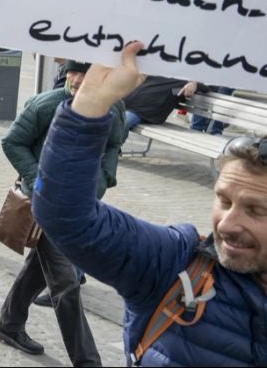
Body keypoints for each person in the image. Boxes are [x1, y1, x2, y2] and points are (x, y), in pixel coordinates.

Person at [33, 43, 266, 366]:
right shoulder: (175, 265)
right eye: (223, 200)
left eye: (255, 210)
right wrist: (89, 104)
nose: (226, 224)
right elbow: (67, 217)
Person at [0, 60, 125, 365]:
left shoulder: (113, 107)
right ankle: (88, 361)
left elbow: (114, 145)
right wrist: (38, 180)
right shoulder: (44, 104)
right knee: (65, 284)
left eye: (87, 72)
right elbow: (12, 141)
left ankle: (9, 324)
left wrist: (103, 180)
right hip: (45, 204)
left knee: (40, 268)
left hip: (80, 205)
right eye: (74, 72)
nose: (79, 79)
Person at [122, 76, 198, 135]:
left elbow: (207, 84)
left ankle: (112, 151)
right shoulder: (159, 66)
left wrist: (194, 83)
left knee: (119, 125)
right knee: (113, 120)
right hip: (125, 103)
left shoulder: (187, 77)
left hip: (143, 112)